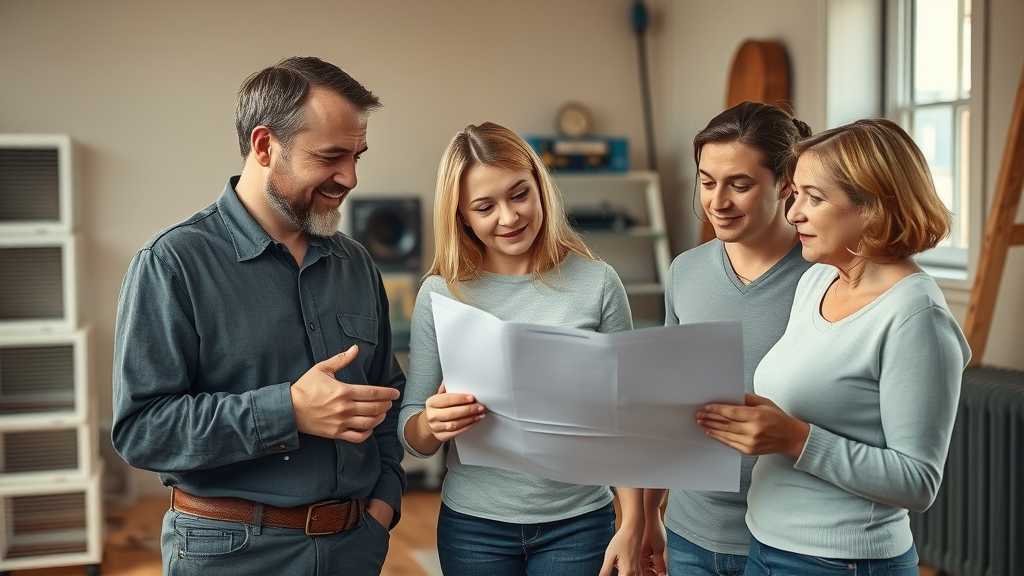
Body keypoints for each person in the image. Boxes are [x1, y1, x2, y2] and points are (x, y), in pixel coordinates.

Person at [111, 56, 405, 576]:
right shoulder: (171, 263)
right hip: (230, 557)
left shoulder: (356, 263)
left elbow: (385, 400)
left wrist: (382, 509)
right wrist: (287, 411)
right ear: (265, 146)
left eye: (358, 155)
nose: (351, 177)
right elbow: (142, 430)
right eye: (332, 156)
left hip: (355, 550)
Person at [697, 118, 971, 576]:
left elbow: (919, 483)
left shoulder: (915, 315)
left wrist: (793, 437)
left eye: (815, 198)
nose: (793, 213)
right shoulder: (817, 280)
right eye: (797, 193)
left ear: (874, 207)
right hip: (764, 546)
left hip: (842, 561)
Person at [398, 122, 644, 576]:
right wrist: (432, 423)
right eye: (484, 206)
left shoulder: (598, 283)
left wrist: (635, 522)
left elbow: (626, 419)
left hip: (580, 523)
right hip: (473, 528)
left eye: (519, 194)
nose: (508, 217)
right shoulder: (441, 293)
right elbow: (413, 436)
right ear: (462, 217)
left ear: (540, 188)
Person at [639, 101, 813, 576]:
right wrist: (649, 513)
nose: (717, 202)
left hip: (788, 539)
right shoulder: (685, 271)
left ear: (785, 183)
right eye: (707, 181)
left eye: (739, 184)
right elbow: (668, 407)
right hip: (691, 531)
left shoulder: (825, 276)